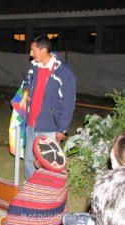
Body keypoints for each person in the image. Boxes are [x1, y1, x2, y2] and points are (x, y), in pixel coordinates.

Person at [22, 34, 76, 179]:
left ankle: (48, 194)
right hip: (31, 124)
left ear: (44, 49)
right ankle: (31, 189)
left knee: (49, 163)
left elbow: (68, 102)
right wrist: (24, 98)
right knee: (29, 161)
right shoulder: (33, 68)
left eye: (33, 50)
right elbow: (26, 86)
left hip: (50, 127)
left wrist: (63, 128)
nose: (30, 54)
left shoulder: (64, 72)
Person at [3, 135, 68, 225]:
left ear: (37, 162)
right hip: (56, 220)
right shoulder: (61, 177)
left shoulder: (33, 184)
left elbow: (16, 211)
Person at [63, 132, 125, 225]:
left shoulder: (112, 189)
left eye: (111, 160)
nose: (110, 163)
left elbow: (104, 217)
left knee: (66, 219)